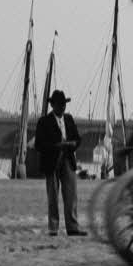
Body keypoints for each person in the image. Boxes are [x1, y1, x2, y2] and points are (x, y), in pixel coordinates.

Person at [33, 89, 86, 237]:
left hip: (68, 159)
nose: (62, 107)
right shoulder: (44, 121)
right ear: (52, 105)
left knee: (71, 195)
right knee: (53, 196)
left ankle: (73, 227)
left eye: (64, 105)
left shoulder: (69, 119)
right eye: (59, 105)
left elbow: (78, 138)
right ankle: (53, 228)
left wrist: (73, 144)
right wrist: (56, 146)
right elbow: (39, 144)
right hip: (51, 161)